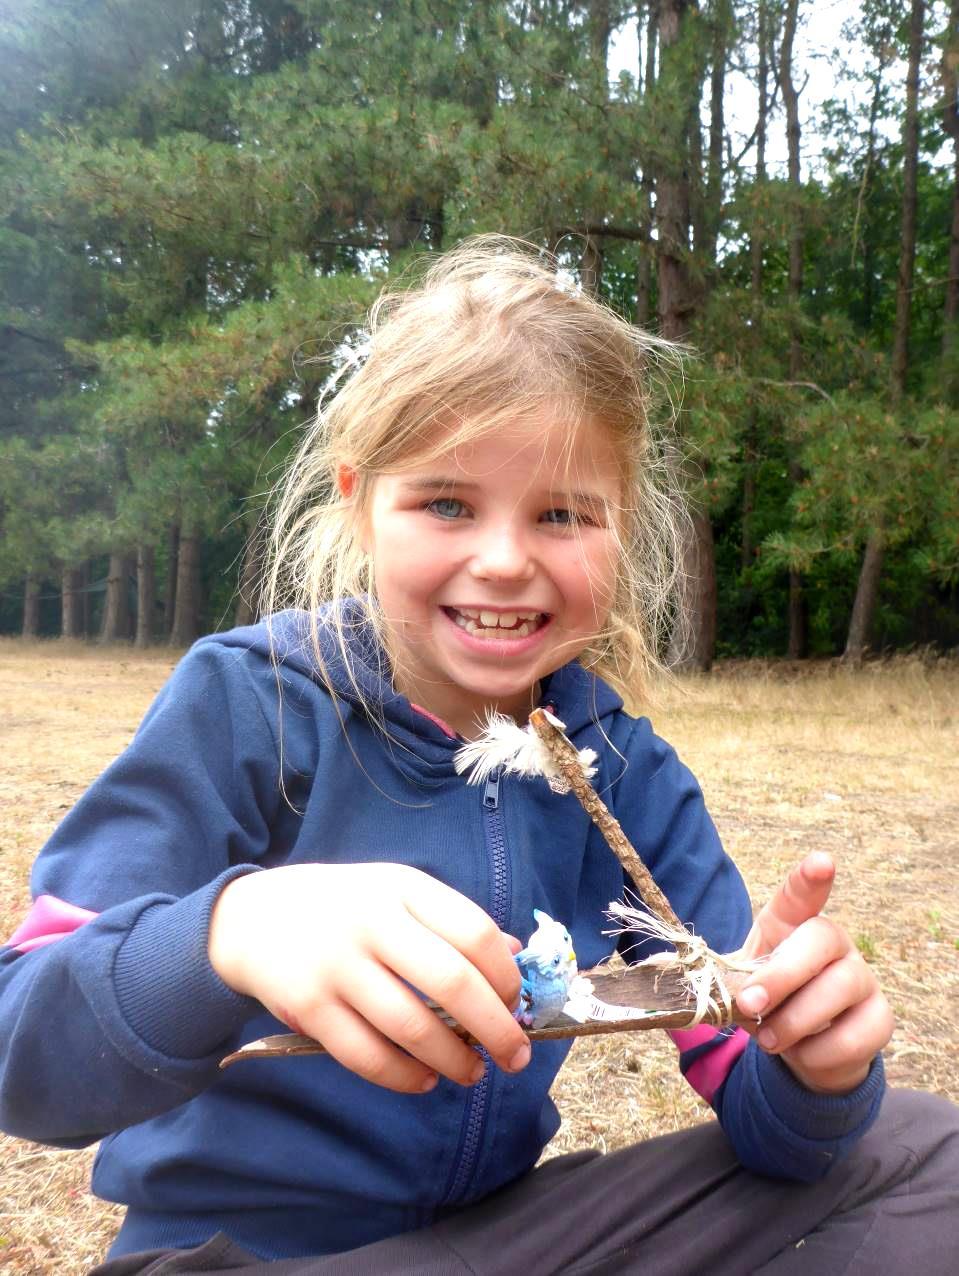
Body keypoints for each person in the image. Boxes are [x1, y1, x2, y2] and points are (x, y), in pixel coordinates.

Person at [1, 238, 956, 1276]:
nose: (503, 560)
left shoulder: (616, 767)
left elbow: (774, 1127)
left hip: (492, 1247)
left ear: (618, 527)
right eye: (447, 502)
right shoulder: (249, 704)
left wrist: (810, 1067)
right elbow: (26, 1054)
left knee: (917, 1149)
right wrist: (224, 930)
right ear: (360, 499)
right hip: (236, 1260)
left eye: (559, 513)